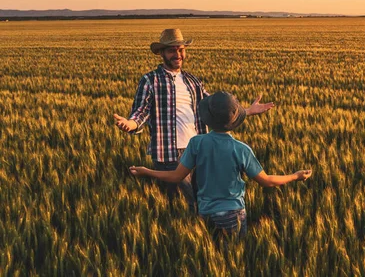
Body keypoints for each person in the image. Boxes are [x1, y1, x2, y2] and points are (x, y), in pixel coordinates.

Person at [114, 29, 274, 213]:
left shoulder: (192, 81)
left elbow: (215, 108)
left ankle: (207, 234)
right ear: (162, 53)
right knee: (180, 205)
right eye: (172, 50)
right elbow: (140, 112)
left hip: (199, 150)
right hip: (169, 154)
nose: (178, 55)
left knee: (202, 200)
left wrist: (247, 111)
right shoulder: (150, 80)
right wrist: (131, 124)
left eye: (181, 49)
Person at [129, 91, 312, 238]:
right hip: (234, 214)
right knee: (234, 258)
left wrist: (147, 171)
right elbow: (266, 181)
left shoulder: (196, 143)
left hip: (206, 213)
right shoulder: (241, 149)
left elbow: (176, 176)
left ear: (207, 119)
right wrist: (295, 176)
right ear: (235, 121)